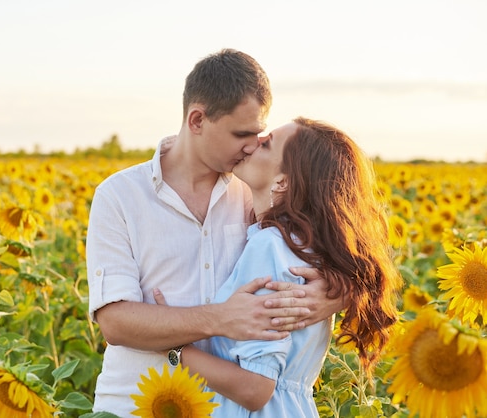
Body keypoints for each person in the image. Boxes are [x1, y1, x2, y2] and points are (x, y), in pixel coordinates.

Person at [86, 49, 343, 416]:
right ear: (197, 120)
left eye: (260, 134)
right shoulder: (120, 196)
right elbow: (115, 322)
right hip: (134, 404)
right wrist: (220, 317)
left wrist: (333, 293)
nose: (253, 145)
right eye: (242, 134)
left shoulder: (255, 194)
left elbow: (343, 249)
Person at [154, 117, 402, 417]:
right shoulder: (306, 250)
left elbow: (255, 388)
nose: (254, 142)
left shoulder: (271, 247)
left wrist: (173, 347)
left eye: (267, 143)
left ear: (283, 181)